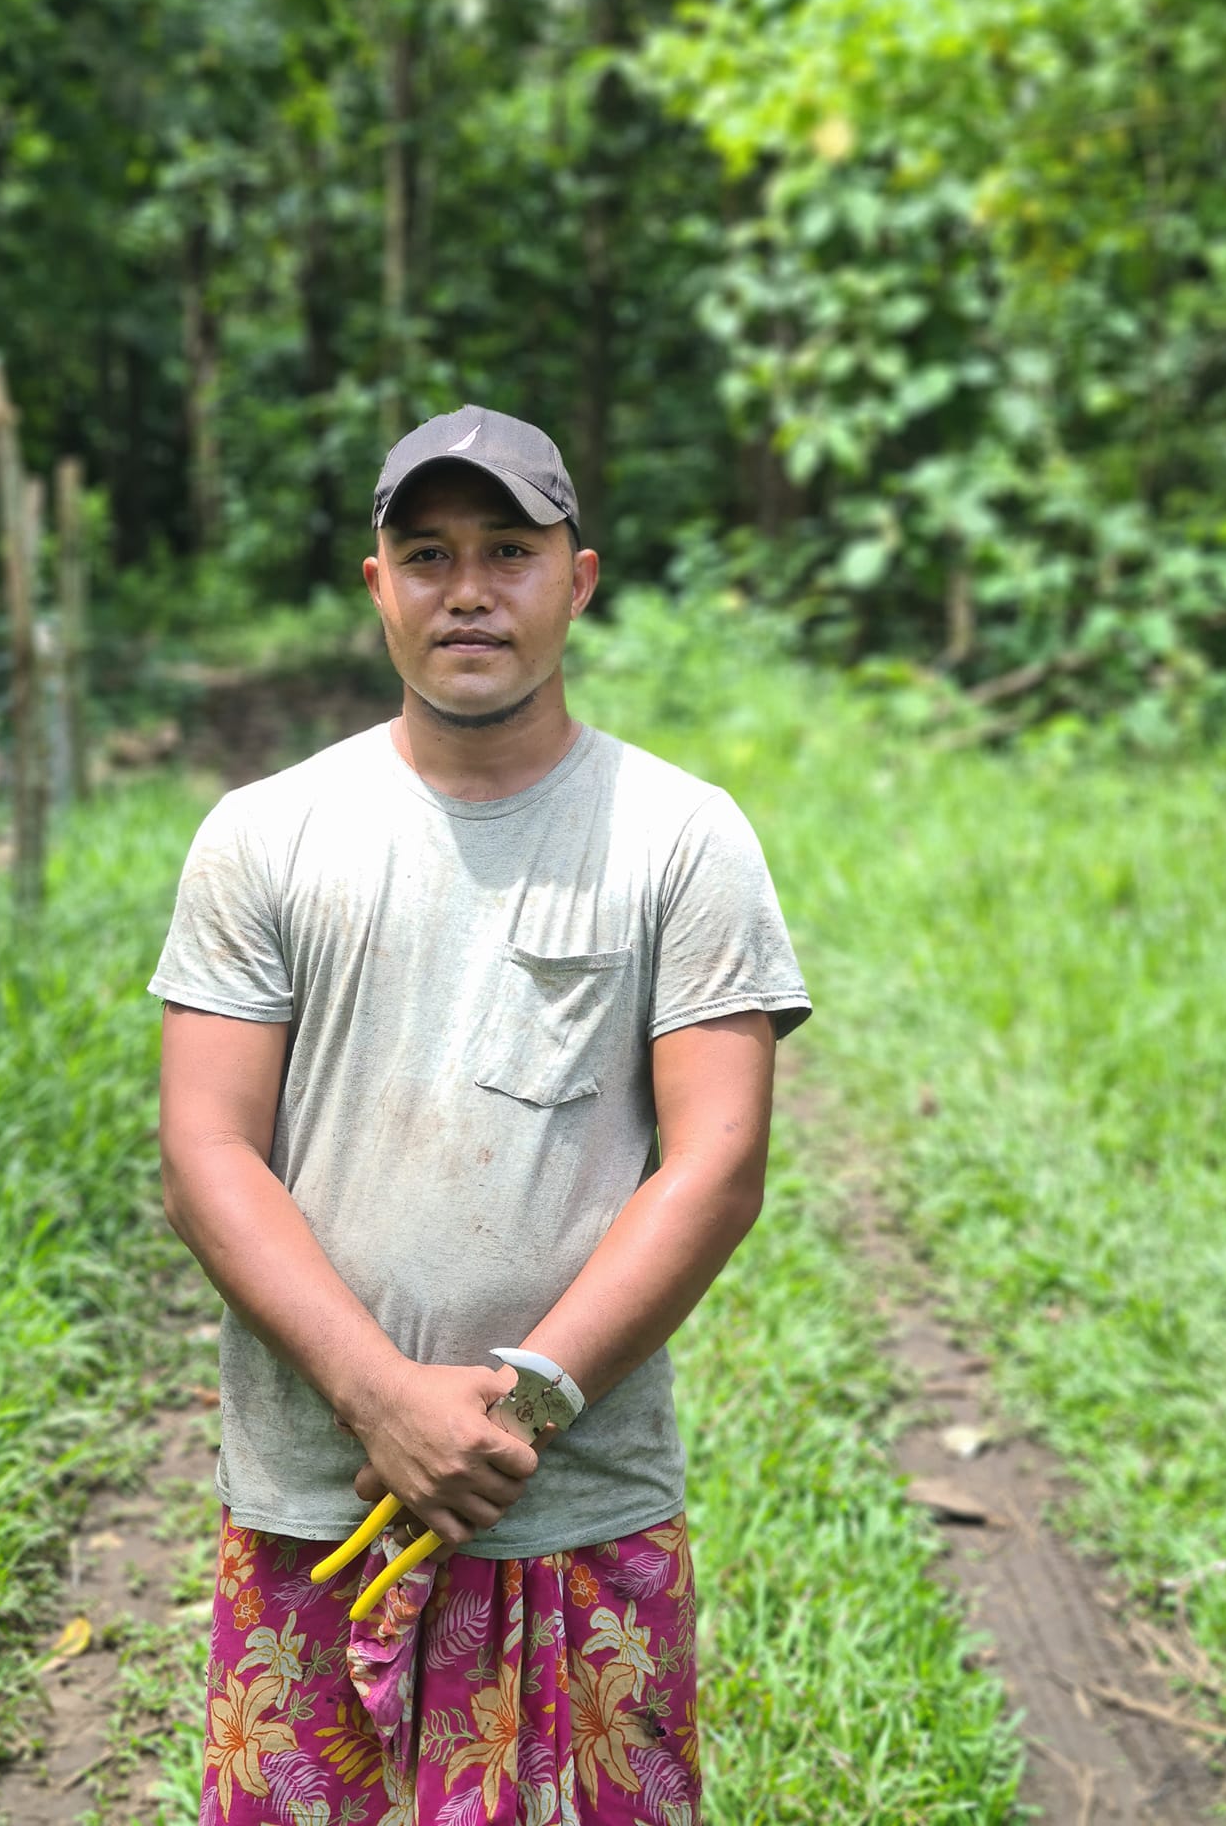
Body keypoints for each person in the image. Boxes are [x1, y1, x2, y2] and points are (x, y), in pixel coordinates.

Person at [150, 404, 811, 1825]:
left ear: (577, 580)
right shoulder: (265, 837)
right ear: (377, 586)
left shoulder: (680, 837)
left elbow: (719, 1162)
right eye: (429, 552)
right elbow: (209, 1155)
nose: (469, 589)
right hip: (314, 1503)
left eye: (509, 550)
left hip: (571, 1503)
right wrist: (379, 1399)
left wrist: (522, 1407)